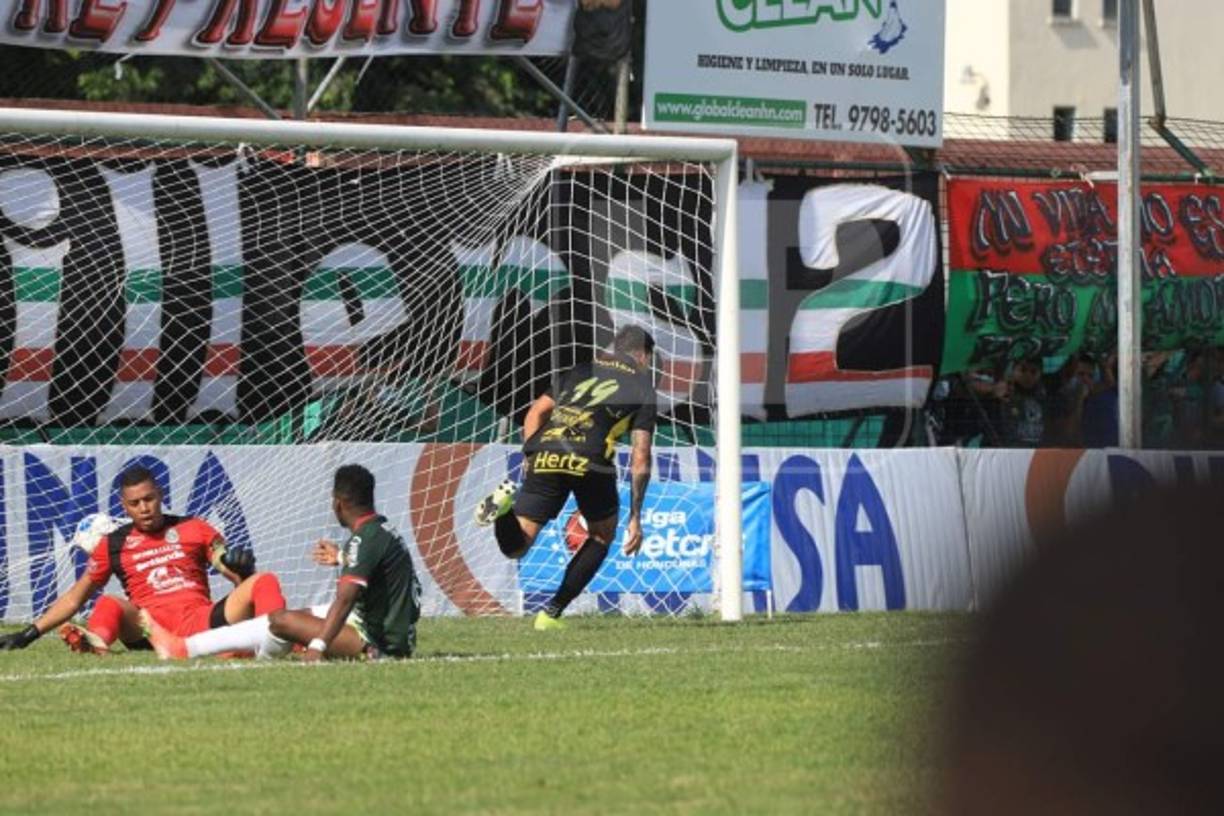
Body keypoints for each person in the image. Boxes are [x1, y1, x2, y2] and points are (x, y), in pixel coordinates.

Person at [475, 324, 657, 630]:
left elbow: (535, 413)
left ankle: (503, 510)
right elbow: (641, 458)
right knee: (601, 534)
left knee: (516, 547)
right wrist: (636, 515)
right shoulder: (642, 387)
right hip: (590, 461)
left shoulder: (582, 369)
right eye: (649, 359)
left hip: (546, 450)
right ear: (641, 355)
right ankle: (550, 614)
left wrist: (530, 455)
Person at [143, 464, 421, 662]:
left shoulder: (363, 541)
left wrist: (318, 646)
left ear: (338, 504)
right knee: (290, 618)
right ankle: (190, 648)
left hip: (378, 643)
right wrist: (340, 558)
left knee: (280, 620)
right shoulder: (382, 530)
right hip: (385, 629)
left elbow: (345, 599)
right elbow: (389, 577)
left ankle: (186, 649)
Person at [0, 465, 285, 654]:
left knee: (265, 581)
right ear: (124, 507)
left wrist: (242, 568)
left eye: (149, 499)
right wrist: (28, 634)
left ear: (160, 495)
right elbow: (75, 599)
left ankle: (280, 639)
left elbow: (229, 568)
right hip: (149, 626)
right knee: (109, 602)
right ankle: (97, 644)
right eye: (135, 504)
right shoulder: (113, 543)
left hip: (200, 618)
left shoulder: (194, 527)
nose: (144, 508)